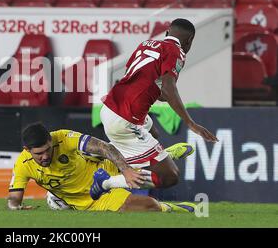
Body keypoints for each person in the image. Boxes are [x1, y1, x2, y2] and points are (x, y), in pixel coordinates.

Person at [93, 18, 218, 199]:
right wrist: (190, 123)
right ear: (189, 41)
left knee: (154, 133)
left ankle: (156, 155)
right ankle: (105, 182)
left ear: (167, 32)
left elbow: (137, 78)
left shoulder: (146, 44)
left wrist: (163, 95)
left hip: (110, 107)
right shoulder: (177, 52)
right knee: (169, 177)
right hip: (126, 119)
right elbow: (168, 87)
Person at [7, 122, 195, 213]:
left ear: (51, 139)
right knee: (146, 207)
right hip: (92, 201)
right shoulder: (22, 165)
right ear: (27, 150)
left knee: (106, 154)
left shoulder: (63, 137)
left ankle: (163, 156)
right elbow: (14, 200)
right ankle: (172, 208)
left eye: (48, 150)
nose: (45, 156)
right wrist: (17, 208)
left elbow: (105, 148)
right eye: (39, 154)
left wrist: (126, 170)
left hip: (102, 170)